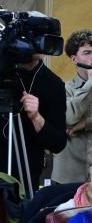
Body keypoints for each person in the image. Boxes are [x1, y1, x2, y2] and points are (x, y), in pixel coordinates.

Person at [0, 54, 67, 195]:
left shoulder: (53, 83)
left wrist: (36, 117)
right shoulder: (4, 71)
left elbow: (58, 144)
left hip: (26, 175)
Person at [52, 30, 92, 184]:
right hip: (68, 175)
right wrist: (90, 83)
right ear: (75, 59)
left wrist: (86, 123)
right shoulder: (62, 88)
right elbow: (68, 119)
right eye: (87, 53)